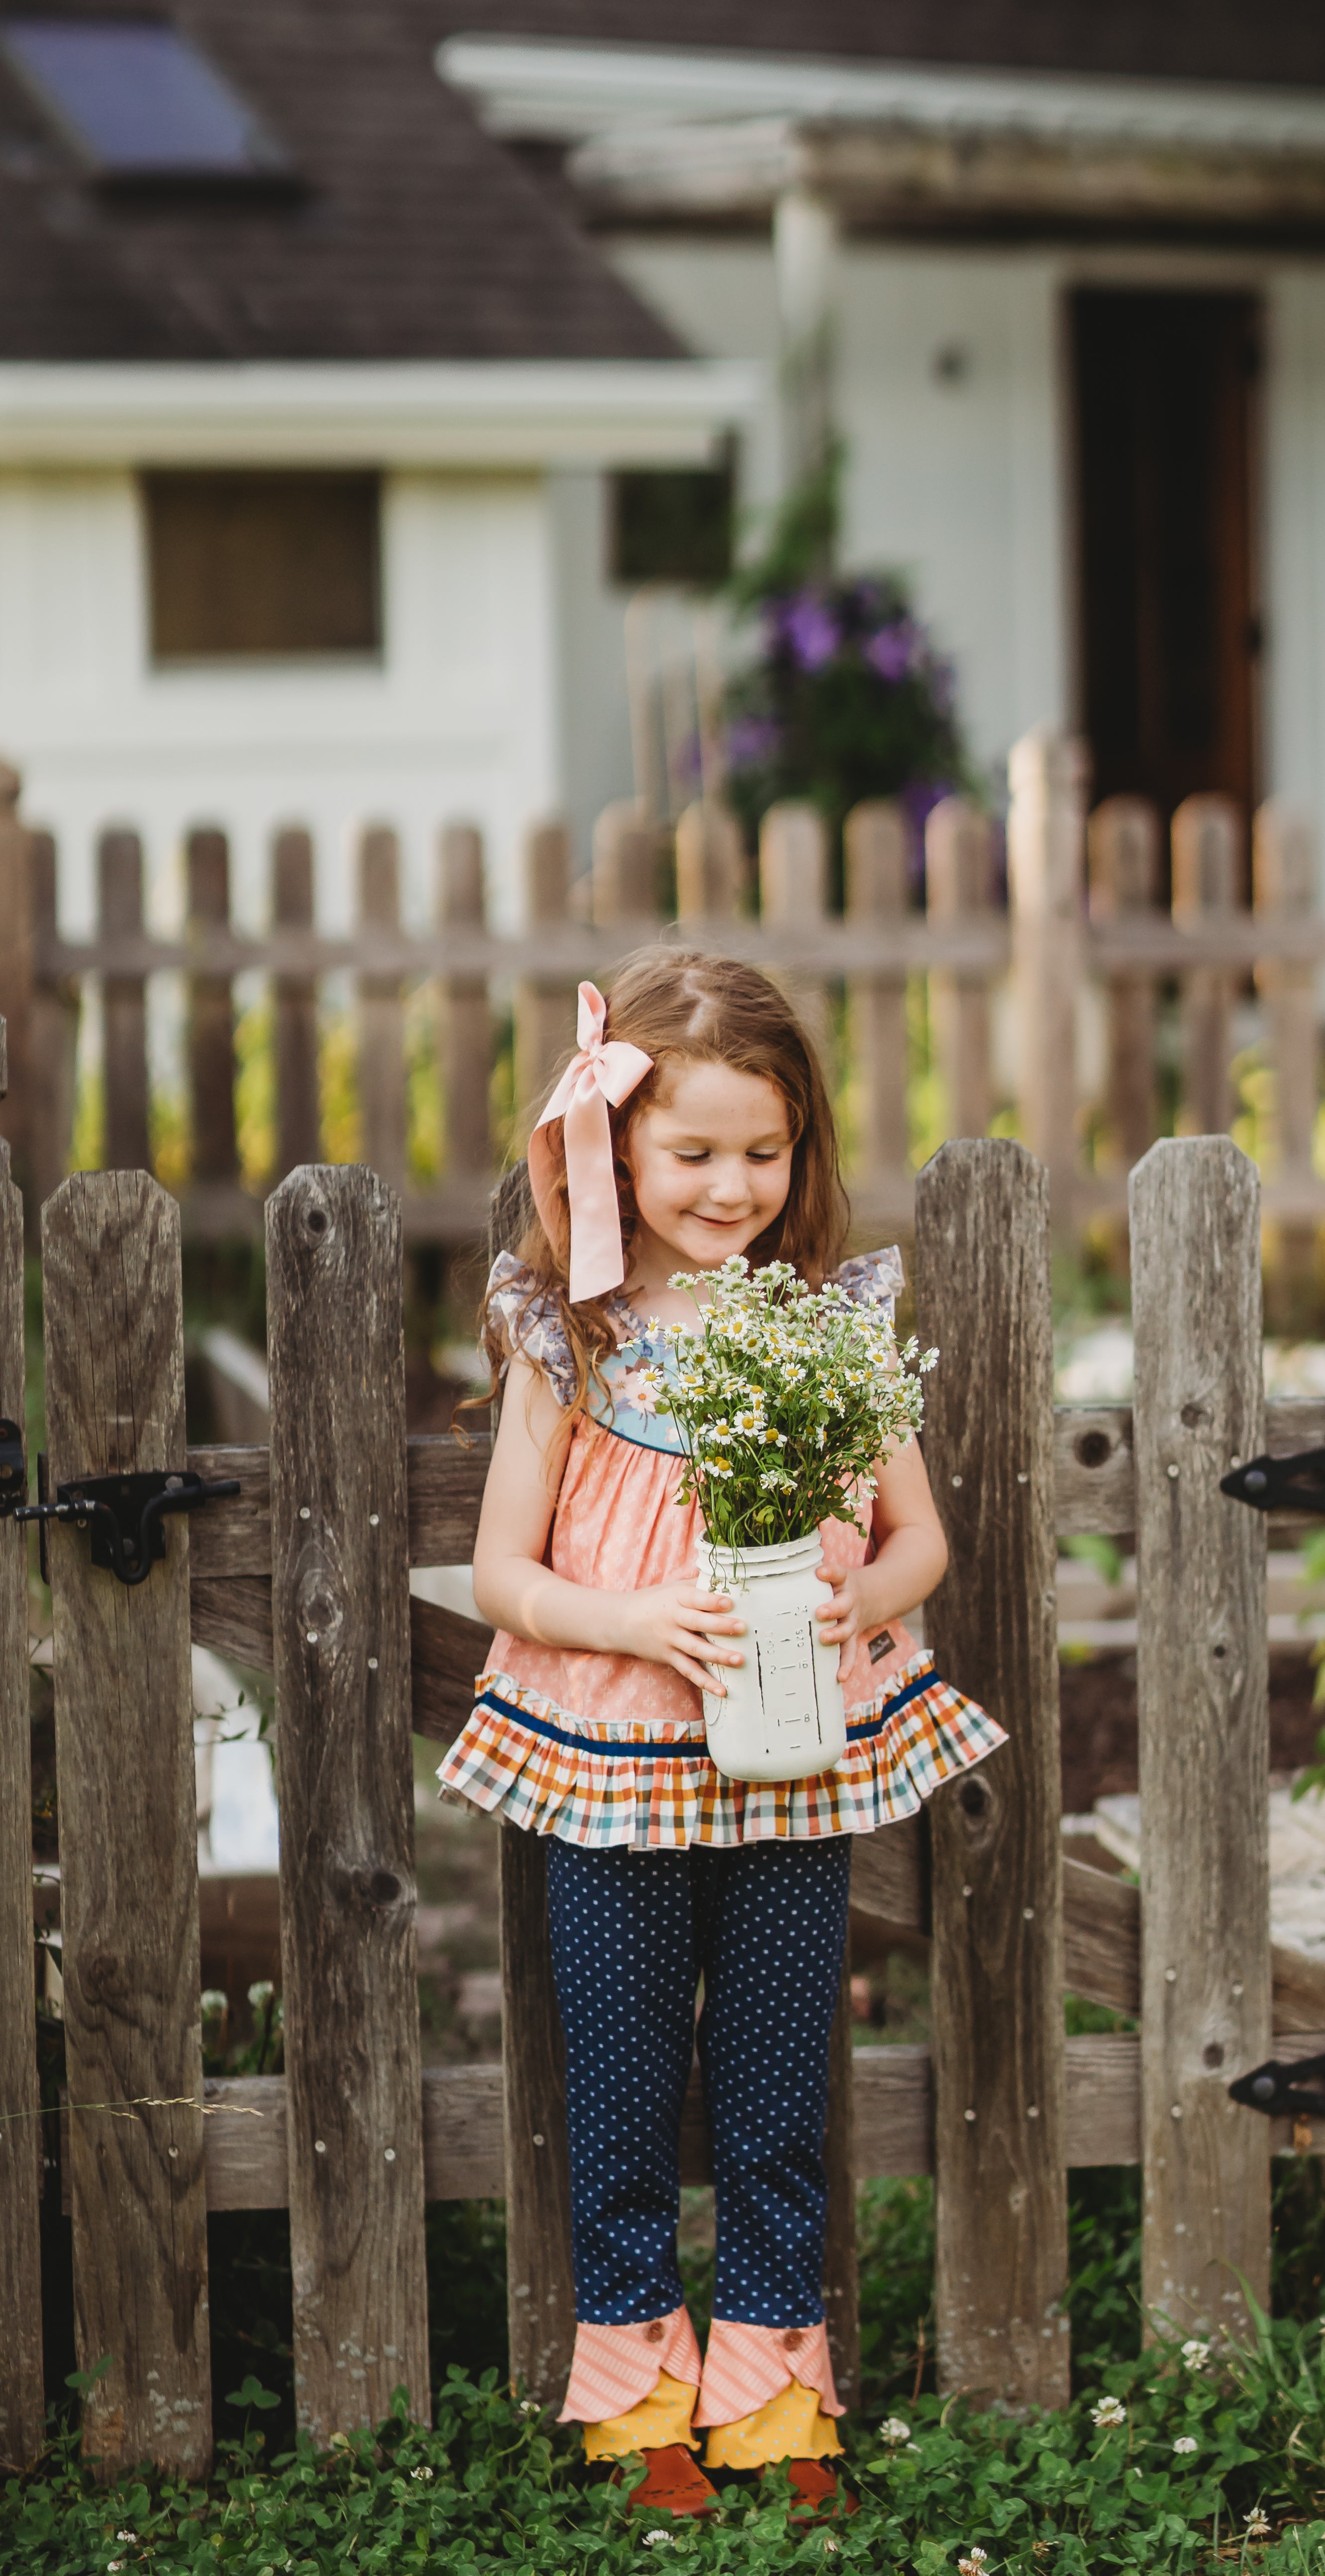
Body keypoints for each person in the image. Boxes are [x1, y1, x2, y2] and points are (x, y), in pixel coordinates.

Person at [436, 949, 1005, 2518]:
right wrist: (638, 1624)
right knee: (620, 2093)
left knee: (771, 2094)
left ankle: (774, 2400)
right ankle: (638, 2409)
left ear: (800, 1151)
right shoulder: (575, 1324)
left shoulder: (828, 1315)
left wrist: (856, 1605)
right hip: (617, 1756)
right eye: (693, 1154)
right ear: (616, 1146)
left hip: (790, 1753)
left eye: (764, 1152)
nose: (732, 1185)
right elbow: (502, 1572)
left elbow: (919, 1541)